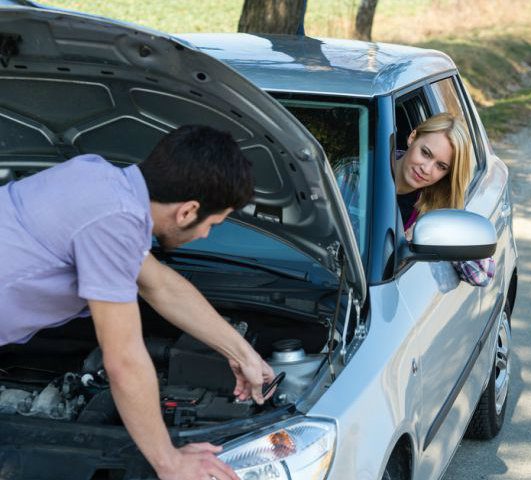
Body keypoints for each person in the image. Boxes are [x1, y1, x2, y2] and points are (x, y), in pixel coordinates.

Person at [0, 125, 273, 480]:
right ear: (188, 211)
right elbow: (124, 360)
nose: (206, 234)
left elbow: (159, 285)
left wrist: (242, 354)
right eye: (214, 224)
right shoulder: (115, 221)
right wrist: (169, 461)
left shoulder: (95, 176)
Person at [337, 112, 494, 286]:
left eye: (441, 166)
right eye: (426, 153)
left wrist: (434, 233)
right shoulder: (354, 175)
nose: (426, 169)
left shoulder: (438, 208)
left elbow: (482, 274)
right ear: (412, 137)